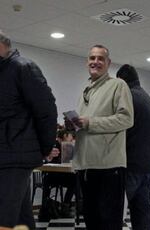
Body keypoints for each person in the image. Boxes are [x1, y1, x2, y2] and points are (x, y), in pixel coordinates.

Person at [65, 45, 133, 229]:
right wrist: (73, 126)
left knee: (109, 223)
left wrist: (90, 122)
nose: (95, 62)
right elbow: (84, 124)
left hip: (108, 168)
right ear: (87, 61)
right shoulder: (86, 89)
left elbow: (126, 119)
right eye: (92, 58)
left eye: (100, 58)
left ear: (108, 63)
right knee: (92, 222)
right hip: (86, 166)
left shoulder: (118, 85)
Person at [0, 30, 58, 229]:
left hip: (15, 156)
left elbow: (46, 110)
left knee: (5, 220)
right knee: (21, 219)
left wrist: (46, 146)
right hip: (7, 155)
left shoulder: (22, 67)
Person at [116, 64, 150, 230]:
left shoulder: (129, 98)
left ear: (122, 81)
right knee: (142, 213)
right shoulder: (148, 99)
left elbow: (119, 129)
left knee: (115, 211)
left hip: (131, 164)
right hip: (148, 165)